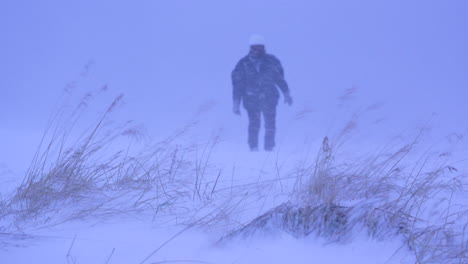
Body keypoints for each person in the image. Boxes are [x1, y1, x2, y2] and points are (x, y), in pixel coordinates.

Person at [231, 35, 293, 151]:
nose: (257, 50)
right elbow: (238, 85)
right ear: (251, 48)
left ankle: (269, 148)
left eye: (260, 48)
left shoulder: (272, 62)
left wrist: (286, 93)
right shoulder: (243, 64)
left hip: (269, 98)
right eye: (255, 48)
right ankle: (253, 148)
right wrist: (236, 103)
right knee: (254, 124)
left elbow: (280, 79)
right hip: (251, 99)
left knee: (270, 125)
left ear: (264, 48)